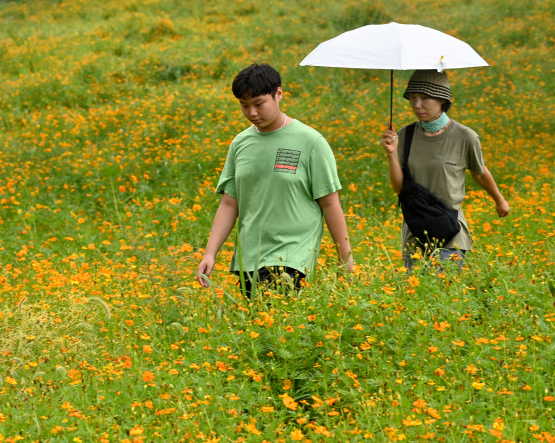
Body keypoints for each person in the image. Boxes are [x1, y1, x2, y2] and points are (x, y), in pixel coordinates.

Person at [197, 63, 354, 298]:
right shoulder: (240, 144)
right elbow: (230, 203)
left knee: (278, 324)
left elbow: (330, 204)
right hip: (248, 259)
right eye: (244, 106)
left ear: (278, 94)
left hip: (291, 258)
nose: (252, 113)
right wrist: (210, 253)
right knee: (260, 331)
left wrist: (346, 261)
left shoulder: (311, 142)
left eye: (259, 104)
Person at [380, 69, 510, 271]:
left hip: (450, 230)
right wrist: (391, 153)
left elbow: (480, 172)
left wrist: (499, 200)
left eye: (424, 98)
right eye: (412, 98)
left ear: (442, 100)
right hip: (414, 230)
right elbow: (399, 189)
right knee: (416, 298)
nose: (417, 105)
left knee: (445, 292)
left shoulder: (465, 136)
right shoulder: (405, 135)